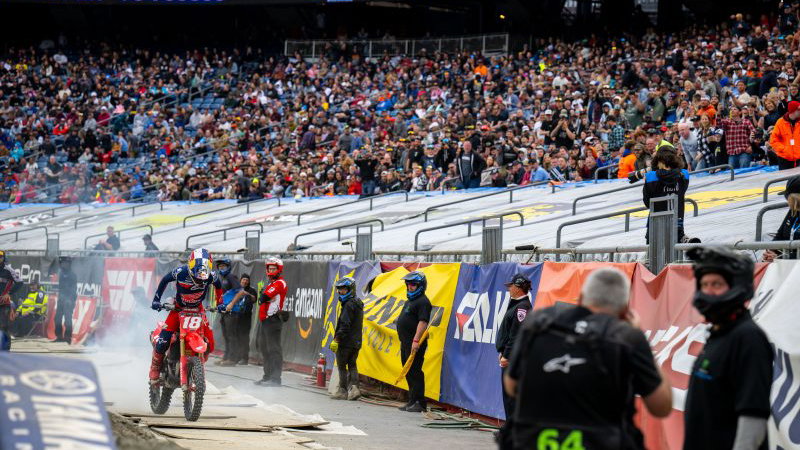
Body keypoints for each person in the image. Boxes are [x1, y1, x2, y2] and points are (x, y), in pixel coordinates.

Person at [503, 268, 672, 450]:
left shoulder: (538, 324)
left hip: (535, 441)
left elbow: (512, 386)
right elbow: (661, 406)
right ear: (624, 310)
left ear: (581, 298)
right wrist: (640, 339)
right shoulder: (626, 337)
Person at [683, 247, 772, 450]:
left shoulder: (748, 338)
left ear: (736, 286)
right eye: (704, 284)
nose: (709, 291)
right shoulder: (719, 334)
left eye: (717, 284)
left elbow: (753, 417)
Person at [149, 248, 222, 383]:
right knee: (163, 341)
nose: (200, 280)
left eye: (203, 276)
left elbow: (218, 285)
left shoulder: (211, 275)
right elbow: (165, 280)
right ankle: (155, 366)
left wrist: (220, 303)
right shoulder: (181, 272)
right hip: (178, 309)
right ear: (191, 265)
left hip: (198, 310)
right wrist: (156, 300)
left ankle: (195, 367)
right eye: (197, 277)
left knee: (210, 344)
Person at [495, 274, 533, 447]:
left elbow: (516, 336)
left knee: (511, 396)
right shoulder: (518, 305)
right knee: (508, 396)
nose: (509, 289)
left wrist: (508, 355)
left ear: (518, 288)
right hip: (511, 357)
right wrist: (502, 351)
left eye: (511, 286)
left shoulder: (522, 308)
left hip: (514, 360)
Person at [396, 271, 433, 413]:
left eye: (413, 285)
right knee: (408, 372)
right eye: (408, 284)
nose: (409, 287)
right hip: (405, 342)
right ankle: (411, 400)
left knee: (415, 371)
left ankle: (419, 402)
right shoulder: (410, 301)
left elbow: (423, 322)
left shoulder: (423, 302)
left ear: (420, 286)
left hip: (415, 343)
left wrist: (416, 340)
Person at [643, 145, 691, 243]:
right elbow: (682, 193)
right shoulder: (684, 174)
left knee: (654, 255)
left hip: (655, 223)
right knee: (676, 255)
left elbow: (647, 202)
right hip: (677, 222)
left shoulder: (650, 177)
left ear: (659, 160)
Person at [330, 276, 364, 401]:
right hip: (356, 341)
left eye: (343, 289)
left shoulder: (348, 305)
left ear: (350, 289)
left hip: (346, 342)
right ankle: (354, 389)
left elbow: (345, 325)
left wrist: (336, 340)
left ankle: (342, 390)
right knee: (352, 365)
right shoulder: (358, 302)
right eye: (339, 289)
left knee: (342, 366)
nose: (340, 292)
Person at [255, 257, 287, 386]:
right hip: (265, 320)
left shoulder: (280, 283)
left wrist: (264, 298)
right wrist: (263, 298)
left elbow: (263, 297)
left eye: (273, 268)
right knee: (265, 349)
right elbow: (260, 299)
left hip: (273, 319)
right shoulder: (270, 284)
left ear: (279, 269)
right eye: (269, 268)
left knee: (274, 349)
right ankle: (267, 376)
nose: (271, 270)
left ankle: (275, 379)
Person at [763, 175, 800, 261]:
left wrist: (781, 258)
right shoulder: (793, 211)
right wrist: (772, 251)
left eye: (788, 197)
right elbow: (780, 235)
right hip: (788, 263)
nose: (787, 201)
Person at [214, 258, 242, 366]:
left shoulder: (231, 277)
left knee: (231, 335)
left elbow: (240, 291)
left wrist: (232, 304)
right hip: (224, 310)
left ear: (228, 267)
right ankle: (226, 357)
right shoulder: (222, 278)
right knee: (226, 335)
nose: (221, 268)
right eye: (220, 267)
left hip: (232, 311)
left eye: (223, 266)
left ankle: (232, 359)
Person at [225, 273, 257, 365]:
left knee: (244, 338)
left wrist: (248, 294)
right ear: (240, 280)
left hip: (246, 317)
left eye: (247, 280)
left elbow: (254, 300)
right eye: (243, 279)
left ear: (249, 281)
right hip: (235, 316)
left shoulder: (252, 290)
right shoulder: (235, 290)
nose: (245, 281)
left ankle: (244, 358)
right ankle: (236, 357)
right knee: (235, 337)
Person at [769, 100, 800, 170]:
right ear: (793, 110)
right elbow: (773, 140)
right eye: (799, 109)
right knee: (785, 180)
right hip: (784, 159)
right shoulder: (780, 122)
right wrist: (784, 149)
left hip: (798, 159)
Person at [54, 256, 78, 344]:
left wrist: (70, 300)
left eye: (65, 263)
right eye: (62, 263)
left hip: (69, 300)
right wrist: (60, 297)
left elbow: (73, 289)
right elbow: (61, 288)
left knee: (68, 319)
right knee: (57, 318)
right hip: (61, 299)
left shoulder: (72, 275)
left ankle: (67, 338)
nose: (63, 265)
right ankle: (59, 337)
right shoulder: (61, 274)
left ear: (69, 264)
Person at [0, 251, 21, 341]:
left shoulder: (8, 270)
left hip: (4, 304)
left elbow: (20, 282)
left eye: (0, 257)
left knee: (4, 327)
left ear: (4, 258)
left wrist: (8, 293)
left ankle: (5, 350)